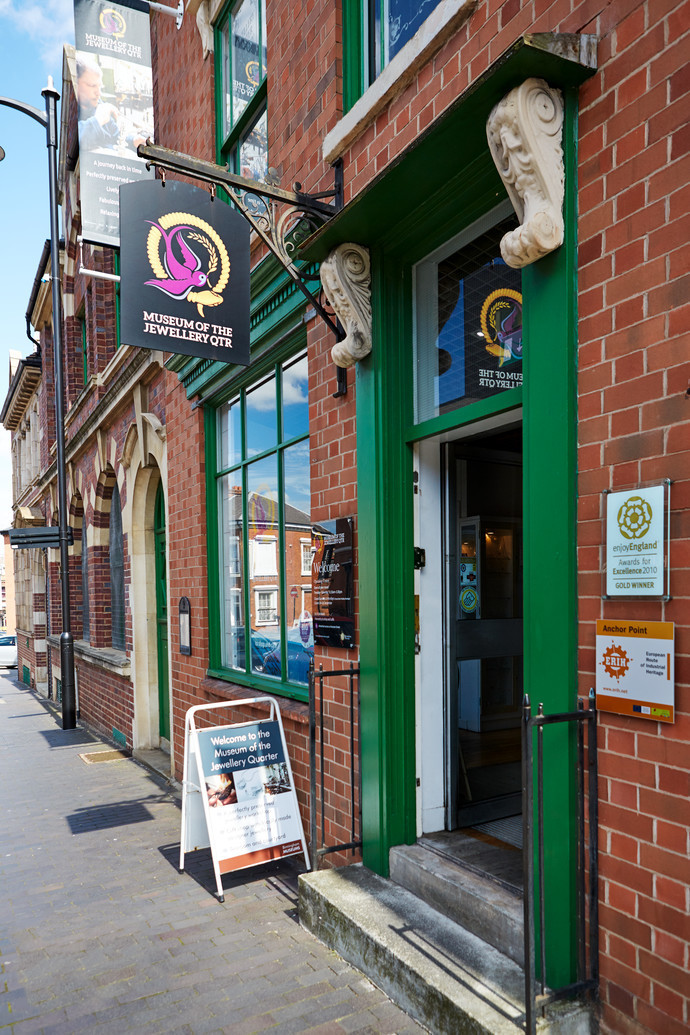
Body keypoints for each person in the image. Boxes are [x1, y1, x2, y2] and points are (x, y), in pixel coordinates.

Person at [76, 57, 147, 153]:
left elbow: (116, 136)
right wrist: (98, 120)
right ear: (76, 84)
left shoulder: (99, 106)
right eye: (92, 86)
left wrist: (133, 141)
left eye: (100, 86)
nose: (98, 93)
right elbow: (76, 142)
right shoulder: (72, 114)